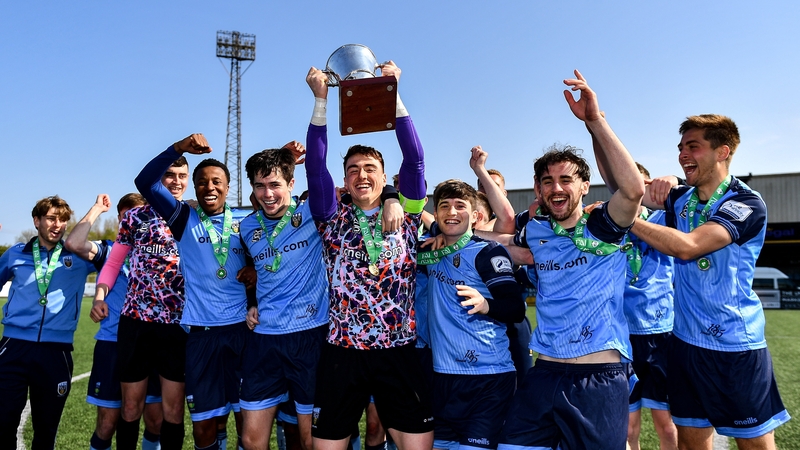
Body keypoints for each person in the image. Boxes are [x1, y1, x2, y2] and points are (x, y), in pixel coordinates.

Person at [485, 70, 645, 449]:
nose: (556, 187)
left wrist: (595, 121)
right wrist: (448, 235)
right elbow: (499, 240)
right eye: (547, 180)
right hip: (545, 372)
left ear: (584, 186)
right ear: (538, 189)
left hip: (599, 375)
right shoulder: (537, 231)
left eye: (566, 179)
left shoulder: (602, 225)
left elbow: (634, 189)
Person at [629, 115, 790, 449]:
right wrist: (595, 122)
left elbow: (689, 248)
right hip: (685, 344)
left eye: (693, 146)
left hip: (734, 346)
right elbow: (626, 186)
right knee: (690, 444)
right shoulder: (681, 199)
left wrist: (626, 219)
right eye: (681, 148)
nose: (683, 154)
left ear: (722, 152)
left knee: (755, 445)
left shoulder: (745, 202)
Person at [305, 61, 434, 450]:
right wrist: (321, 101)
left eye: (370, 168)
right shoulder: (331, 217)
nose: (362, 175)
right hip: (343, 351)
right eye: (353, 170)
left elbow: (414, 160)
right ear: (345, 179)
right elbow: (314, 166)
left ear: (384, 176)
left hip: (399, 350)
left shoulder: (409, 213)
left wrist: (394, 93)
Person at [135, 134, 254, 450]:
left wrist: (254, 267)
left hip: (243, 333)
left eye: (217, 182)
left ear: (228, 188)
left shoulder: (246, 224)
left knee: (248, 426)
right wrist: (177, 149)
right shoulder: (182, 218)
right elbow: (145, 182)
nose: (210, 188)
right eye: (202, 182)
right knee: (204, 429)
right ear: (195, 188)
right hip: (201, 337)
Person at [419, 179, 524, 450]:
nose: (452, 212)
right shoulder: (429, 251)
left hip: (488, 379)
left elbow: (515, 308)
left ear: (474, 215)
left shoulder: (488, 252)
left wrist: (486, 304)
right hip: (442, 378)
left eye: (460, 206)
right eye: (444, 206)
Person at [237, 144, 329, 450]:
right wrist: (252, 302)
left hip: (310, 336)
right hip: (264, 339)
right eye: (260, 186)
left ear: (291, 184)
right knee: (251, 439)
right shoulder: (248, 226)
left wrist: (391, 196)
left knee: (309, 440)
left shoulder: (312, 214)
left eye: (275, 185)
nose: (268, 194)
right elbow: (252, 269)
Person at [100, 157, 189, 450]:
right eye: (170, 175)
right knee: (130, 409)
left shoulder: (192, 215)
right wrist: (100, 296)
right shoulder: (134, 217)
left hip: (177, 325)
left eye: (182, 176)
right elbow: (114, 262)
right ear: (159, 179)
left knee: (173, 411)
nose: (176, 181)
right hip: (135, 324)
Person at [64, 193, 165, 450]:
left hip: (152, 344)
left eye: (139, 214)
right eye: (125, 216)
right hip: (113, 344)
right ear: (120, 219)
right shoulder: (109, 250)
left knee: (156, 422)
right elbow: (74, 243)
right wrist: (97, 209)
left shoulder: (162, 250)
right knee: (107, 424)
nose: (132, 220)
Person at [0, 196, 102, 449]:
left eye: (63, 219)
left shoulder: (79, 255)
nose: (57, 225)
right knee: (3, 422)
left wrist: (97, 210)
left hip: (55, 352)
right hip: (13, 347)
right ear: (36, 221)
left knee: (46, 429)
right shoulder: (16, 254)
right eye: (51, 218)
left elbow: (121, 252)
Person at [596, 158, 679, 450]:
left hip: (661, 335)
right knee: (627, 427)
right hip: (620, 338)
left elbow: (684, 193)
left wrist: (672, 180)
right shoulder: (605, 225)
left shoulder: (664, 219)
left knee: (666, 425)